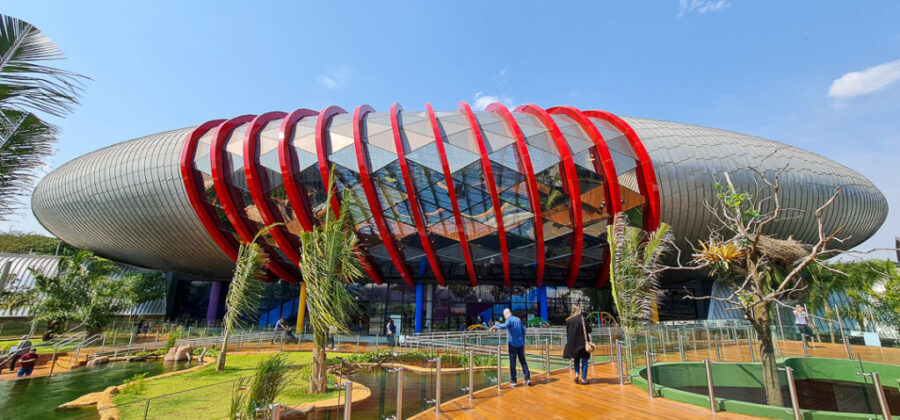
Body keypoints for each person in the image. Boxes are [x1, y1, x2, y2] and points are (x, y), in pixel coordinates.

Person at [490, 308, 533, 387]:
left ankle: (514, 381)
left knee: (512, 363)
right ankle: (528, 378)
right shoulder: (518, 319)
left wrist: (495, 326)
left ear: (505, 315)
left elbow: (505, 325)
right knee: (523, 362)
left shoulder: (509, 320)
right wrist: (523, 340)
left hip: (512, 345)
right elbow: (524, 330)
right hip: (520, 344)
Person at [563, 304, 592, 385]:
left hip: (573, 344)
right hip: (583, 343)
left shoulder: (569, 321)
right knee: (585, 361)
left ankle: (576, 375)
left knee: (576, 360)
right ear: (580, 310)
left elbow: (568, 333)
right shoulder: (583, 319)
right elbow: (589, 330)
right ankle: (583, 379)